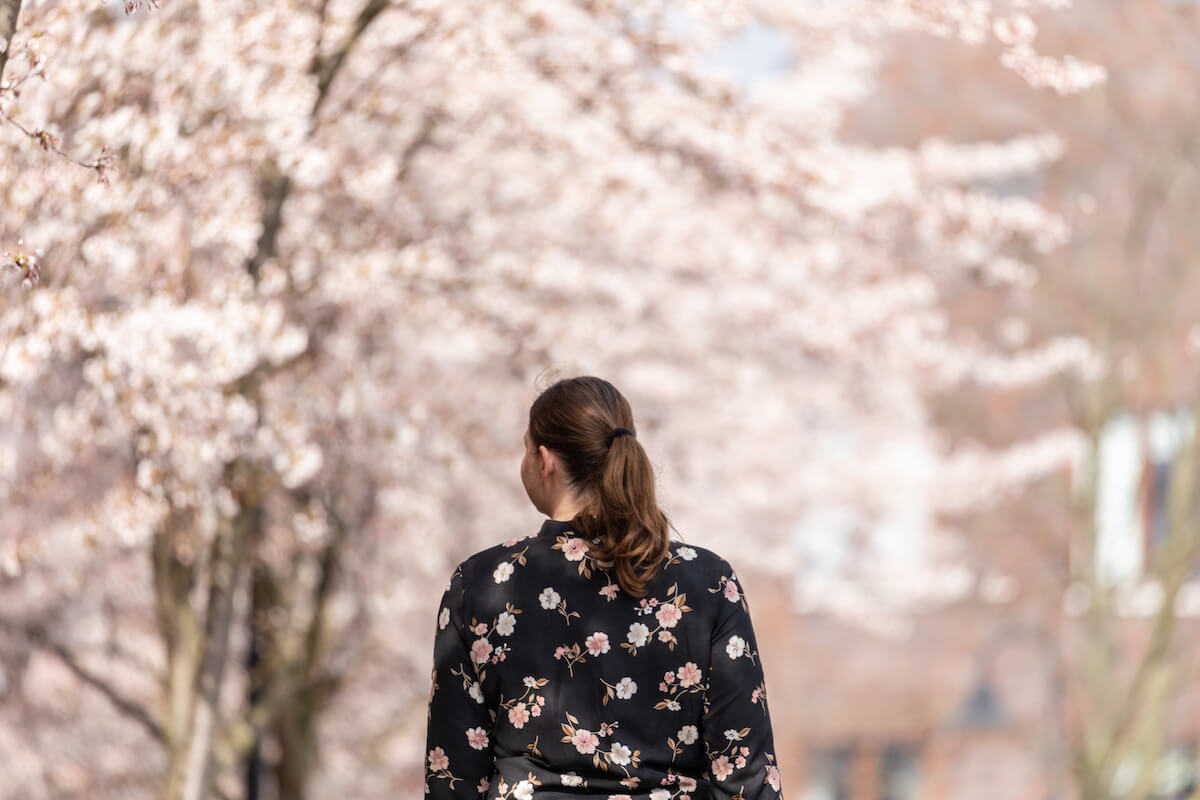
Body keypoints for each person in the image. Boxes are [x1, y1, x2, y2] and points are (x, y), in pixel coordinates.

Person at [424, 376, 783, 799]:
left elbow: (454, 780)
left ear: (544, 460)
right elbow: (747, 777)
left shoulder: (480, 584)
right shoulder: (708, 584)